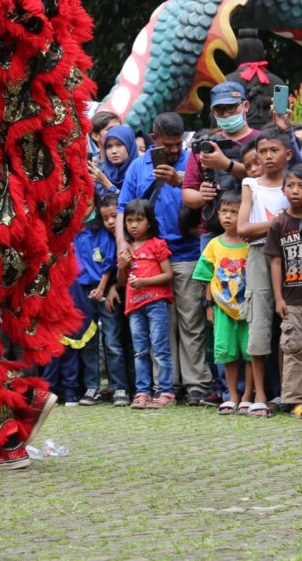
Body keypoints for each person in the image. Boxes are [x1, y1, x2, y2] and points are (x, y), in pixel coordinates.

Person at [119, 111, 207, 404]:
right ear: (154, 139)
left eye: (177, 143)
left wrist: (179, 179)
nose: (172, 149)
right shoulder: (137, 167)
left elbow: (203, 195)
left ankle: (196, 384)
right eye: (167, 144)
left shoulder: (192, 161)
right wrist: (125, 246)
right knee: (160, 327)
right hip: (148, 258)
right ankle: (166, 385)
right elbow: (123, 209)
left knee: (191, 322)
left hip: (185, 252)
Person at [236, 127, 294, 415]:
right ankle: (259, 393)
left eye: (274, 150)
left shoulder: (294, 183)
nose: (268, 156)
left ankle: (289, 391)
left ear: (288, 154)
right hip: (259, 255)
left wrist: (281, 224)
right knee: (258, 324)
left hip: (293, 253)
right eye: (263, 151)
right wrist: (281, 222)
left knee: (291, 322)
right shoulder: (251, 184)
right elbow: (243, 228)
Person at [266, 164, 302, 418]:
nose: (295, 191)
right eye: (290, 185)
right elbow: (276, 261)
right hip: (292, 298)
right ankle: (294, 399)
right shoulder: (279, 223)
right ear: (283, 189)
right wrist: (278, 297)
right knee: (294, 347)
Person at [194, 195, 250, 413]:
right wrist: (209, 306)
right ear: (217, 214)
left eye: (234, 212)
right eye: (224, 211)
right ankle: (232, 395)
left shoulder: (250, 244)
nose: (228, 216)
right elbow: (207, 277)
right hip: (222, 309)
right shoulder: (214, 244)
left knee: (250, 352)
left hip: (247, 309)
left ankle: (248, 395)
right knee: (226, 352)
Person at [121, 198, 174, 409]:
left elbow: (168, 274)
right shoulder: (126, 249)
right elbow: (122, 281)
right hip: (134, 306)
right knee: (140, 351)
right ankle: (142, 392)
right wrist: (121, 266)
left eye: (139, 220)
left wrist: (144, 282)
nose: (134, 225)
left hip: (156, 303)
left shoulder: (157, 245)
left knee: (160, 349)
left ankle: (166, 392)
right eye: (129, 220)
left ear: (149, 222)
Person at [78, 195, 129, 405]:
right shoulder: (81, 234)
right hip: (84, 293)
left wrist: (101, 289)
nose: (109, 222)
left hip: (105, 291)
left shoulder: (107, 236)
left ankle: (119, 388)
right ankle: (92, 387)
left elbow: (110, 264)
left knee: (112, 341)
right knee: (88, 342)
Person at [231, 31, 287, 132]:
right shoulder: (277, 82)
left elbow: (216, 118)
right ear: (263, 54)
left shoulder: (227, 81)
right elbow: (284, 114)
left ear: (235, 55)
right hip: (273, 138)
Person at [90, 123, 137, 200]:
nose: (114, 151)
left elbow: (132, 206)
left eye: (119, 145)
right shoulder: (101, 172)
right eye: (109, 146)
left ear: (129, 145)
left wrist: (106, 183)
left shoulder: (140, 172)